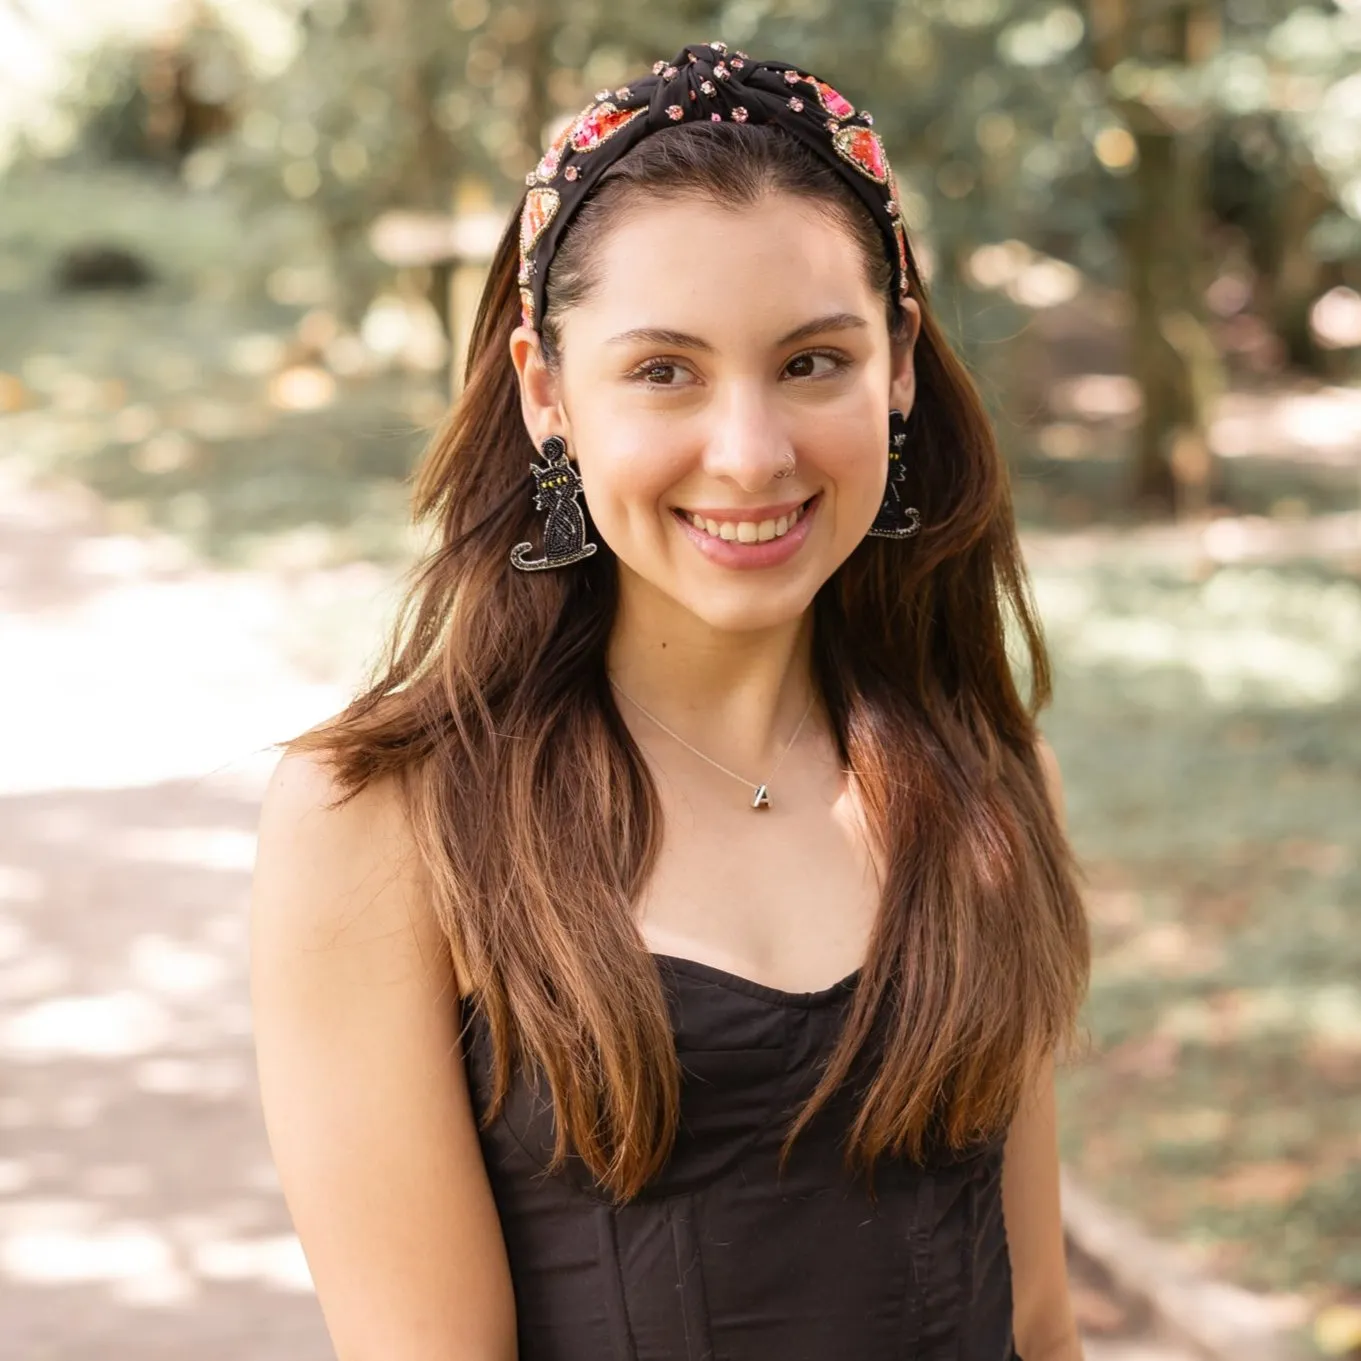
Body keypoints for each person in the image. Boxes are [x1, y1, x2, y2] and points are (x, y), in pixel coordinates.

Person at [249, 39, 1090, 1361]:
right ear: (546, 393)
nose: (751, 454)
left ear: (903, 364)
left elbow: (1037, 1326)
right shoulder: (385, 824)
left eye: (814, 362)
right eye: (663, 371)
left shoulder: (988, 777)